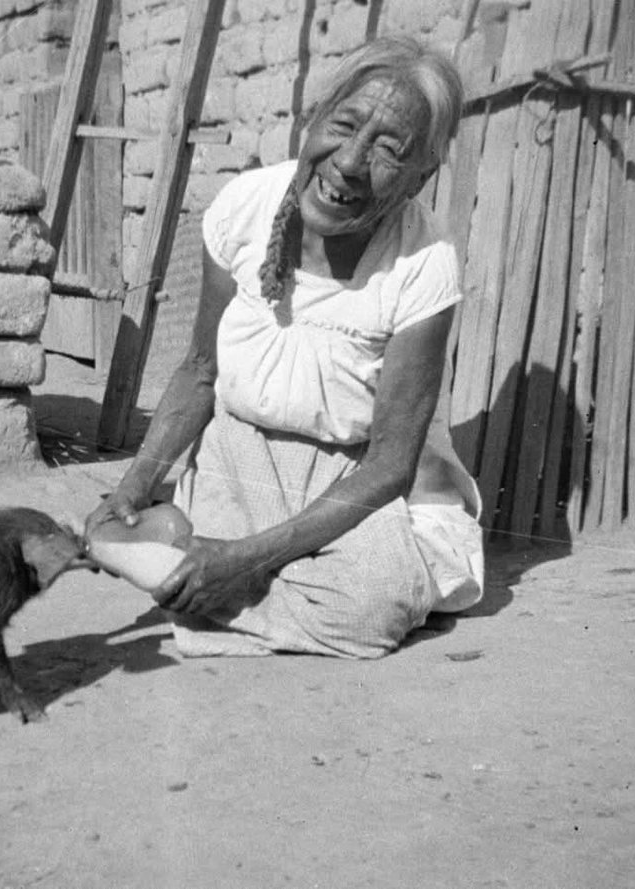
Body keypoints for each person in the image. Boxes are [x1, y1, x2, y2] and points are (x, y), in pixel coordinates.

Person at [85, 35, 485, 658]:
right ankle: (234, 580)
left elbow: (389, 464)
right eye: (343, 126)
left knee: (371, 610)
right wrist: (133, 489)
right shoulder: (245, 207)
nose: (349, 163)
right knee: (198, 565)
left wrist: (245, 560)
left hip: (349, 474)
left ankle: (216, 592)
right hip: (237, 449)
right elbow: (199, 372)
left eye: (388, 150)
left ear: (419, 178)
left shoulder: (424, 262)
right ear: (313, 119)